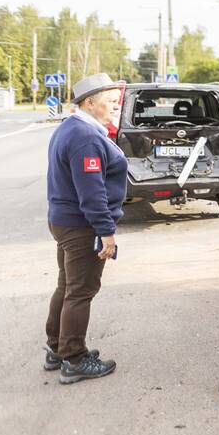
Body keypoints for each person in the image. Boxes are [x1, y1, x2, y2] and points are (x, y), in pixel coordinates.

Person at [45, 73, 125, 384]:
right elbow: (91, 192)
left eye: (118, 101)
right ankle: (74, 360)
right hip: (81, 226)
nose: (117, 106)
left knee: (67, 287)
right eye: (111, 101)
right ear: (89, 103)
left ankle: (58, 349)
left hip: (65, 221)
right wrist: (106, 231)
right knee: (81, 291)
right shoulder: (86, 137)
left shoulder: (72, 126)